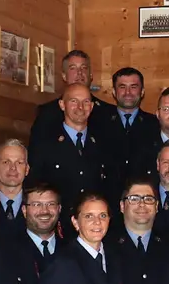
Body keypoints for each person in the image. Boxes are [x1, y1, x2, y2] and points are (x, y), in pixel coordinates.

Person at [29, 83, 109, 211]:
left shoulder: (103, 143)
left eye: (86, 102)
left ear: (92, 106)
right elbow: (35, 185)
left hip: (93, 222)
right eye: (74, 101)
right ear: (62, 105)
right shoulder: (45, 143)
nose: (80, 107)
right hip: (58, 222)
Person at [31, 50, 119, 138]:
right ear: (64, 76)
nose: (79, 72)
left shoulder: (109, 113)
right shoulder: (47, 112)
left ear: (91, 75)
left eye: (83, 68)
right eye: (73, 68)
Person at [101, 67, 159, 197]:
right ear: (114, 92)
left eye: (133, 87)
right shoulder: (99, 124)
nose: (128, 92)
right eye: (122, 87)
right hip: (108, 199)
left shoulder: (155, 124)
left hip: (143, 200)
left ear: (142, 91)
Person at [0, 139, 31, 228]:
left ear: (27, 169)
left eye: (19, 162)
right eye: (6, 162)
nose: (13, 168)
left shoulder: (36, 205)